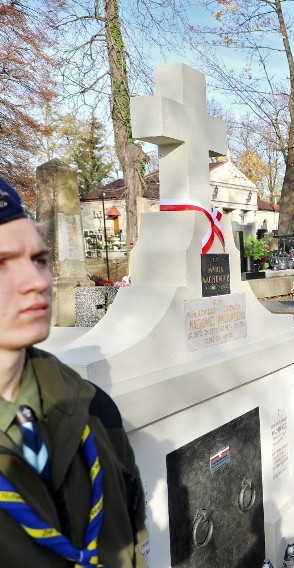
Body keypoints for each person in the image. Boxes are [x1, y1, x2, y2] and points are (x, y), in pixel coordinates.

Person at [0, 178, 148, 567]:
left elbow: (131, 544)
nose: (37, 282)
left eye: (39, 260)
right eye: (1, 263)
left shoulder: (96, 410)